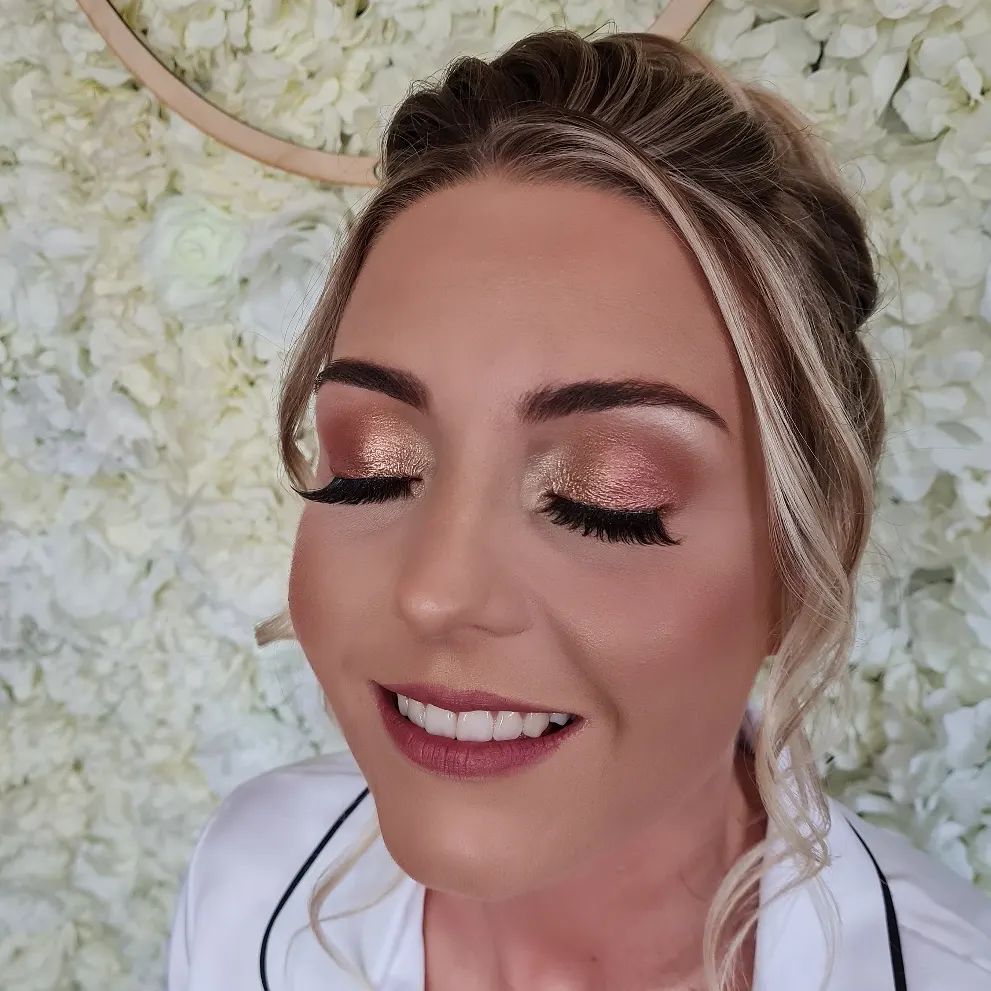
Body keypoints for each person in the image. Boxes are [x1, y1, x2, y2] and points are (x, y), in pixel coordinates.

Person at [166, 27, 991, 991]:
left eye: (601, 500)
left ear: (803, 562)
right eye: (372, 468)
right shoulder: (252, 875)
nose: (434, 591)